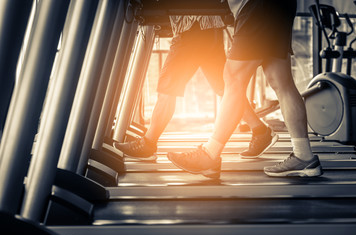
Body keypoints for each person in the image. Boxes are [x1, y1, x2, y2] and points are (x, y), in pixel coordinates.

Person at [167, 0, 323, 179]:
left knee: (233, 79)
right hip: (278, 6)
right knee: (281, 82)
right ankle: (303, 156)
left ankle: (210, 154)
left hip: (257, 7)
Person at [114, 14, 278, 160]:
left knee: (167, 86)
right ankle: (260, 131)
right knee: (224, 88)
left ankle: (148, 143)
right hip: (208, 28)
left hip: (193, 28)